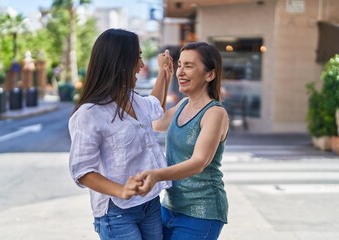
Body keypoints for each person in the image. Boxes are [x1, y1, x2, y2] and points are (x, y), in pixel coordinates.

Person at [68, 28, 173, 240]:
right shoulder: (90, 114)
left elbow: (156, 107)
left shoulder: (133, 99)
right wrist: (121, 190)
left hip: (150, 203)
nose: (142, 65)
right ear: (121, 62)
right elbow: (82, 170)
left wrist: (165, 73)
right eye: (138, 58)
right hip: (117, 212)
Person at [136, 42, 229, 240]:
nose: (181, 72)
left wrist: (156, 175)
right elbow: (154, 121)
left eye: (189, 66)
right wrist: (165, 75)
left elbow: (199, 162)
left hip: (202, 212)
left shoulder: (215, 113)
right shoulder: (184, 104)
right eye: (179, 65)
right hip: (170, 207)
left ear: (210, 75)